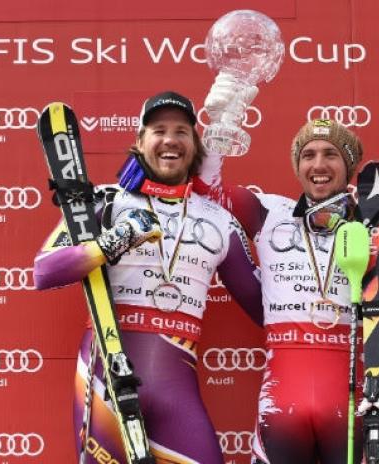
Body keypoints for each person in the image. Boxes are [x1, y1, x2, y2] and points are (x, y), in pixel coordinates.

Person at [195, 46, 379, 463]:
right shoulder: (269, 212)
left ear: (350, 165)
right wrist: (220, 125)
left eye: (331, 154)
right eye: (308, 155)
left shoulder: (377, 222)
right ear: (297, 166)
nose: (318, 164)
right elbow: (205, 190)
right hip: (280, 406)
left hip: (352, 402)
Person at [33, 91, 262, 463]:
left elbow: (267, 309)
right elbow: (44, 270)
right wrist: (115, 241)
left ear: (195, 145)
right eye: (159, 130)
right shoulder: (105, 202)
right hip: (107, 376)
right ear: (140, 142)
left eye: (181, 131)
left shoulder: (220, 221)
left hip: (177, 393)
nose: (170, 140)